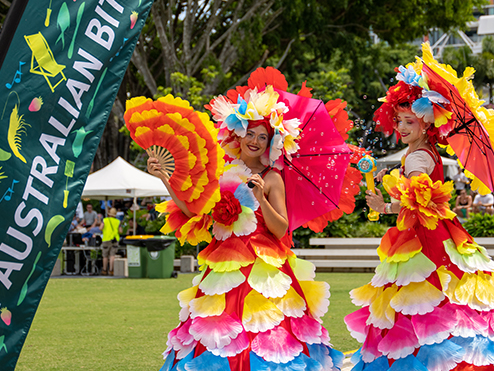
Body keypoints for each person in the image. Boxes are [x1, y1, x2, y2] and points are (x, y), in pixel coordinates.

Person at [346, 44, 494, 370]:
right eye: (399, 121)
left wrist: (385, 205)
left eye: (409, 121)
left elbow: (418, 204)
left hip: (425, 240)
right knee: (456, 295)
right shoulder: (428, 153)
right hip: (446, 234)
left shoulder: (418, 158)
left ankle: (437, 359)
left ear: (426, 123)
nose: (402, 128)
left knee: (426, 299)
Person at [136, 76, 345, 370]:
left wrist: (261, 195)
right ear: (238, 135)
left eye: (263, 137)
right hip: (224, 263)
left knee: (266, 328)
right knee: (219, 327)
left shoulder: (272, 178)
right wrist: (165, 179)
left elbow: (281, 228)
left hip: (264, 265)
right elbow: (193, 209)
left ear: (271, 142)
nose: (255, 141)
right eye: (250, 133)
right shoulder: (223, 171)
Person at [101, 207, 121, 276]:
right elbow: (120, 231)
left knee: (105, 256)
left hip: (106, 239)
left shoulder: (105, 220)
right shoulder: (118, 221)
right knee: (112, 255)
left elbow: (100, 228)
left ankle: (104, 270)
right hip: (114, 240)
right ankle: (111, 270)